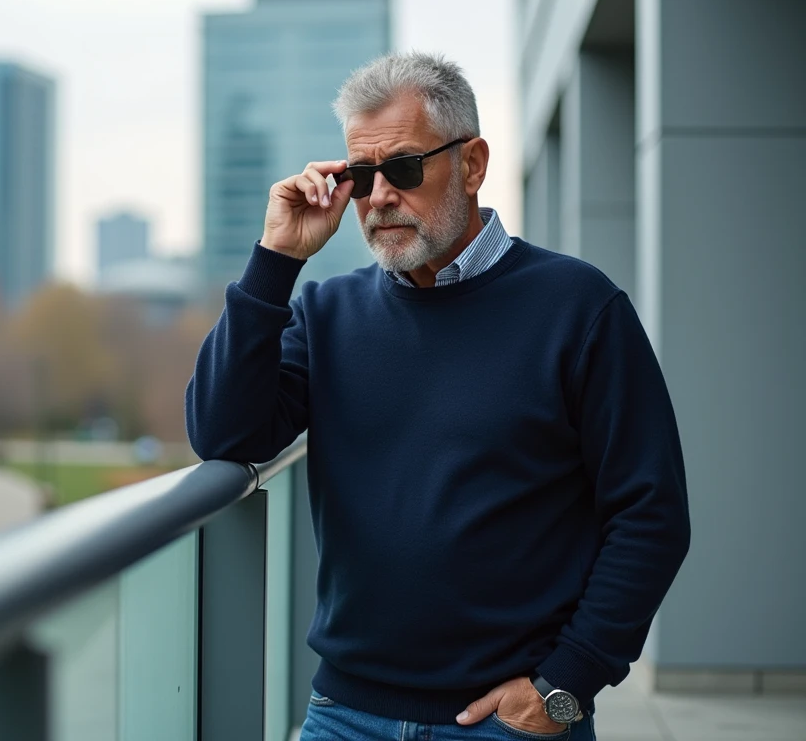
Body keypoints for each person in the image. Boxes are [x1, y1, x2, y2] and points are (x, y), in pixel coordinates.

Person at [185, 52, 691, 741]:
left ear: (473, 164)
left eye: (403, 167)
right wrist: (277, 261)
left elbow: (651, 514)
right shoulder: (327, 314)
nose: (380, 196)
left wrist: (566, 690)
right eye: (361, 176)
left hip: (508, 722)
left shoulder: (579, 307)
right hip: (342, 715)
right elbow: (223, 435)